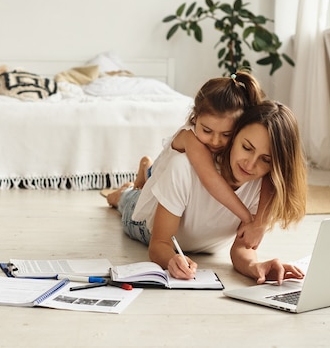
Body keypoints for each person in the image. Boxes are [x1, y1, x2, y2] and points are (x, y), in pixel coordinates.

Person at [107, 100, 308, 283]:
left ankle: (148, 174)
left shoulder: (265, 184)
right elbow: (159, 243)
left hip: (203, 244)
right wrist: (171, 260)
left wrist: (255, 267)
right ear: (234, 134)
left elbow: (241, 248)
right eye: (246, 147)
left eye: (266, 159)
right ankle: (128, 188)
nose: (250, 164)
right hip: (146, 227)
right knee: (129, 200)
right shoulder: (183, 168)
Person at [108, 71, 267, 248]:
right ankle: (125, 191)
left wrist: (260, 222)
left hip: (165, 178)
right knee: (129, 201)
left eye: (226, 134)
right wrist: (248, 218)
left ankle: (147, 170)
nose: (215, 141)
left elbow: (272, 178)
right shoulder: (189, 137)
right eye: (206, 131)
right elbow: (210, 177)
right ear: (195, 117)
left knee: (155, 176)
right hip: (154, 203)